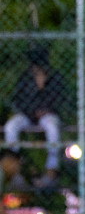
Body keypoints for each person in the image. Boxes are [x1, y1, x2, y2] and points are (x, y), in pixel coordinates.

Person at [5, 47, 67, 183]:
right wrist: (33, 109)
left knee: (52, 127)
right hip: (28, 114)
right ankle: (15, 167)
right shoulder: (26, 77)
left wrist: (45, 109)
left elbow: (60, 99)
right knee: (10, 127)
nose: (37, 69)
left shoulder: (54, 77)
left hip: (47, 114)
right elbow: (18, 100)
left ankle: (51, 167)